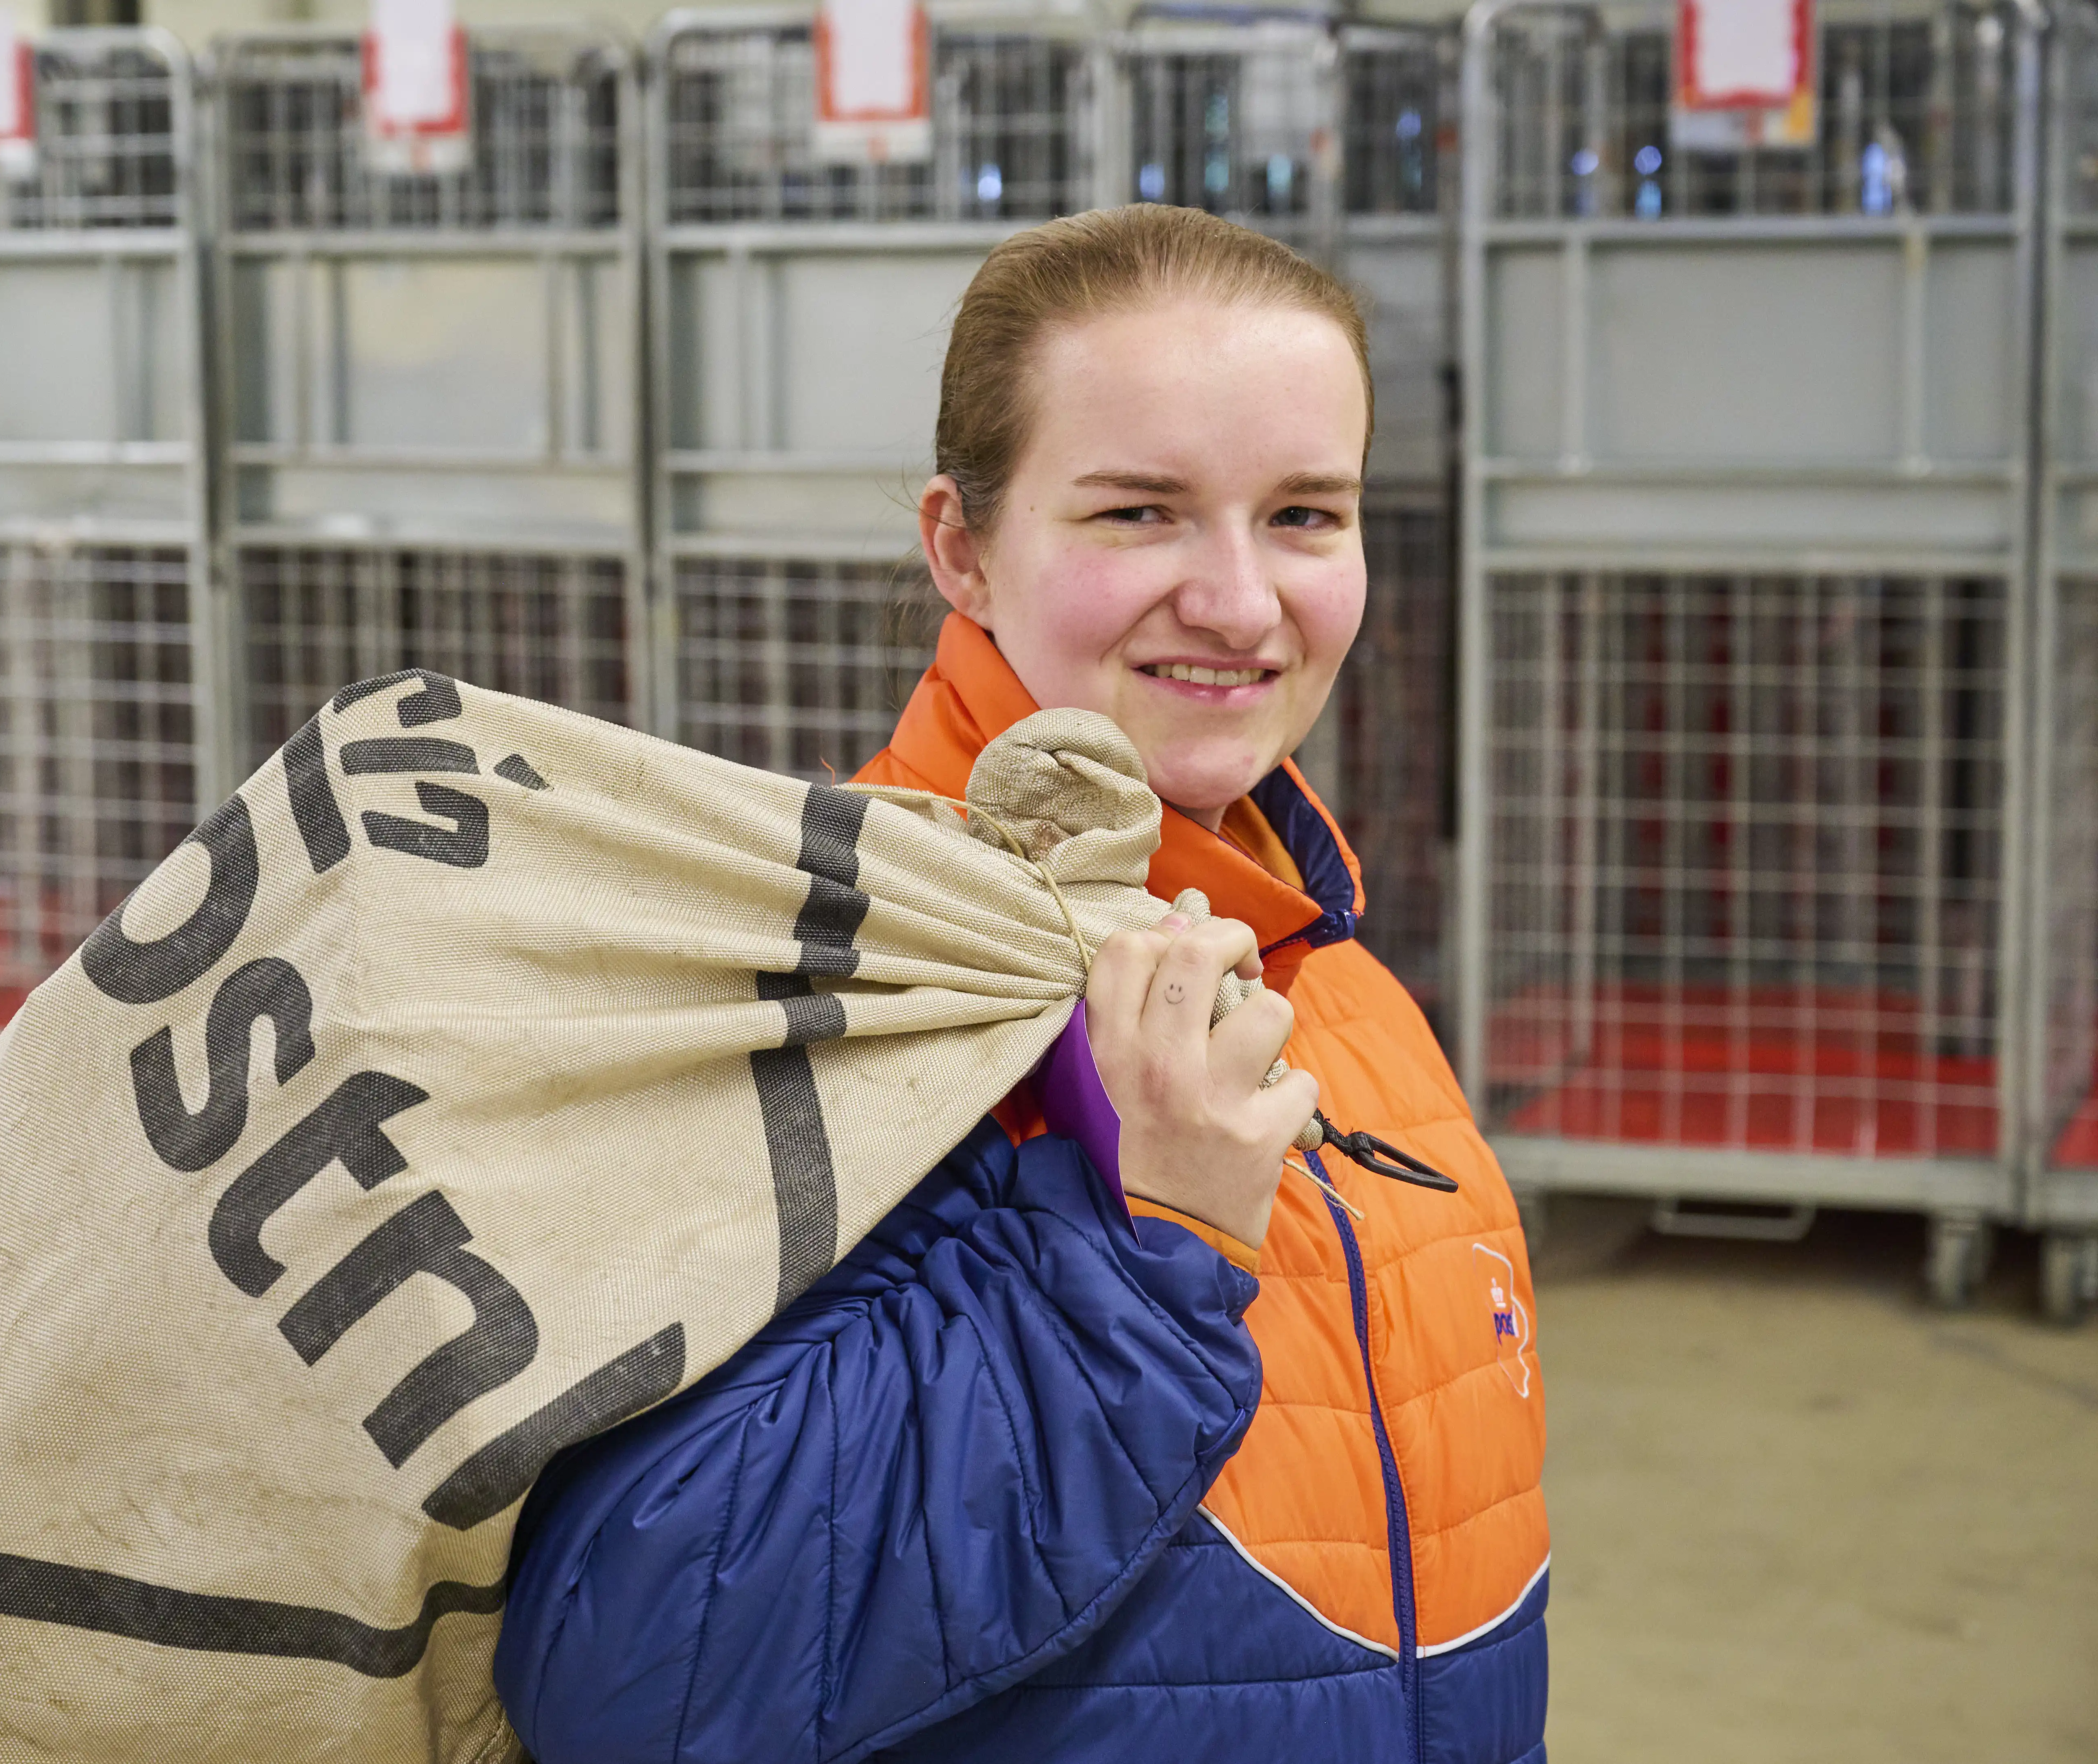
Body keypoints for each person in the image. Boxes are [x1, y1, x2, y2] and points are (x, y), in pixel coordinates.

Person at [494, 205, 1548, 1763]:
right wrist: (1143, 1254)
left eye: (1308, 516)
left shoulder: (1341, 981)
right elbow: (638, 1672)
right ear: (962, 547)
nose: (1244, 603)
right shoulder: (827, 990)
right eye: (1140, 513)